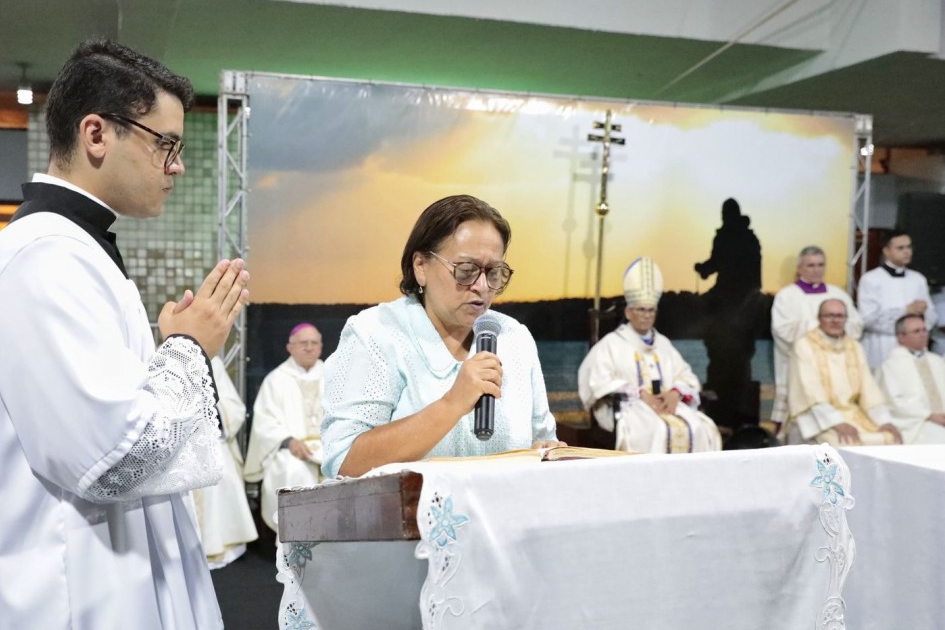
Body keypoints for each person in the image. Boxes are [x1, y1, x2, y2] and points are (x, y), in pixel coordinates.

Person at [0, 39, 249, 630]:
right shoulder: (43, 255)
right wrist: (188, 350)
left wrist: (167, 350)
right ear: (97, 133)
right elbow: (109, 454)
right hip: (79, 606)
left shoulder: (73, 249)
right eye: (165, 144)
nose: (178, 166)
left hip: (112, 574)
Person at [321, 194, 559, 478]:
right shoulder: (377, 333)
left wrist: (546, 452)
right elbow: (345, 460)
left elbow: (542, 440)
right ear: (421, 266)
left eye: (494, 273)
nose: (482, 287)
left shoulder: (514, 338)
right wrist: (451, 404)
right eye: (466, 271)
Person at [579, 257, 722, 453]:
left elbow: (686, 376)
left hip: (666, 405)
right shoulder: (612, 344)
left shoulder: (663, 344)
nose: (647, 315)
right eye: (641, 310)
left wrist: (675, 393)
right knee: (657, 431)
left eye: (651, 310)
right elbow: (597, 382)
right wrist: (640, 393)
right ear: (629, 313)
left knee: (699, 428)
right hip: (631, 408)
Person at [770, 246, 863, 430]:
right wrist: (821, 327)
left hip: (837, 363)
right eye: (811, 265)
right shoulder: (787, 296)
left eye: (821, 264)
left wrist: (832, 328)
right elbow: (783, 330)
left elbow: (856, 325)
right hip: (800, 364)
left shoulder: (837, 294)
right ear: (799, 268)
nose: (817, 269)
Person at [787, 299, 901, 446]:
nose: (835, 321)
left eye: (840, 316)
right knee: (843, 443)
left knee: (891, 438)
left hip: (853, 413)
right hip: (818, 418)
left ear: (846, 319)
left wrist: (884, 421)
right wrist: (837, 422)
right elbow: (811, 392)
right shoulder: (804, 345)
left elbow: (869, 389)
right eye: (829, 316)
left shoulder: (854, 347)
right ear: (819, 318)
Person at [245, 323, 325, 530]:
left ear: (320, 347)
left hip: (329, 448)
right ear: (290, 348)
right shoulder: (276, 380)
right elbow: (265, 422)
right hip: (292, 449)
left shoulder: (334, 376)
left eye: (314, 343)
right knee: (293, 471)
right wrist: (289, 441)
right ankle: (296, 538)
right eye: (303, 343)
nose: (309, 347)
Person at [694, 197, 762, 428]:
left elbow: (716, 263)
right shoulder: (751, 237)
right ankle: (736, 414)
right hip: (745, 305)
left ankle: (722, 412)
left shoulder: (726, 236)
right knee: (739, 361)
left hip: (730, 305)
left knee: (722, 355)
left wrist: (702, 269)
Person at [192, 356, 258, 568]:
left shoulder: (211, 360)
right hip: (179, 441)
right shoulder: (163, 356)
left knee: (221, 475)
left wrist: (211, 408)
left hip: (211, 437)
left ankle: (217, 544)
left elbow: (233, 407)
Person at [857, 230, 937, 370]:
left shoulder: (918, 279)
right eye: (900, 248)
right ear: (886, 251)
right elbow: (867, 320)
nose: (907, 252)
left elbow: (931, 318)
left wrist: (923, 314)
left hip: (913, 348)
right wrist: (905, 311)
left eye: (909, 247)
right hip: (881, 346)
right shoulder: (871, 279)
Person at [875, 313, 945, 444]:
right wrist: (929, 415)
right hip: (917, 424)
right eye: (916, 331)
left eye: (924, 330)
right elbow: (893, 401)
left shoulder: (937, 360)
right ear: (901, 337)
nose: (923, 334)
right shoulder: (891, 365)